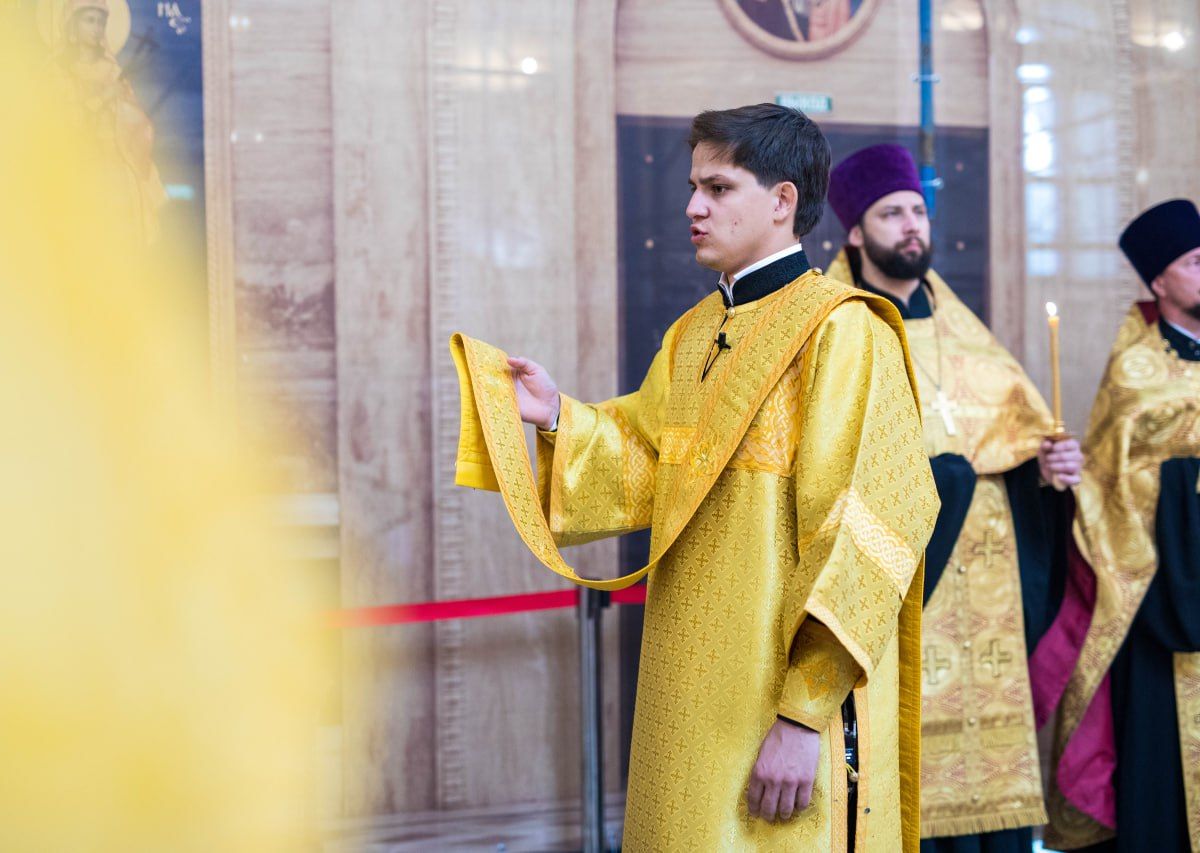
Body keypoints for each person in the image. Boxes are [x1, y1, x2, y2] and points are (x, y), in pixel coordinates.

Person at [450, 105, 938, 850]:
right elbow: (649, 467)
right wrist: (557, 417)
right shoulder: (693, 333)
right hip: (685, 692)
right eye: (692, 187)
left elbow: (871, 529)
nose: (693, 208)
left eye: (718, 187)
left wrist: (803, 713)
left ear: (782, 201)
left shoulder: (843, 331)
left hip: (779, 701)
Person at [823, 144, 1083, 853]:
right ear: (855, 232)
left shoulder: (969, 335)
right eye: (891, 213)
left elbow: (1019, 447)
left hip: (990, 602)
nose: (912, 225)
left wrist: (1048, 471)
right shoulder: (841, 331)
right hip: (906, 587)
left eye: (918, 210)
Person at [1031, 198, 1200, 852]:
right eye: (1194, 262)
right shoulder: (1134, 371)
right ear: (1159, 281)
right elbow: (1104, 485)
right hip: (1158, 594)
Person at [47, 0, 165, 246]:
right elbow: (59, 122)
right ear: (73, 25)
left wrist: (124, 107)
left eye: (101, 22)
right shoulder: (58, 71)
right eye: (89, 20)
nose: (96, 28)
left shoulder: (112, 70)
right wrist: (103, 99)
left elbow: (136, 121)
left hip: (116, 159)